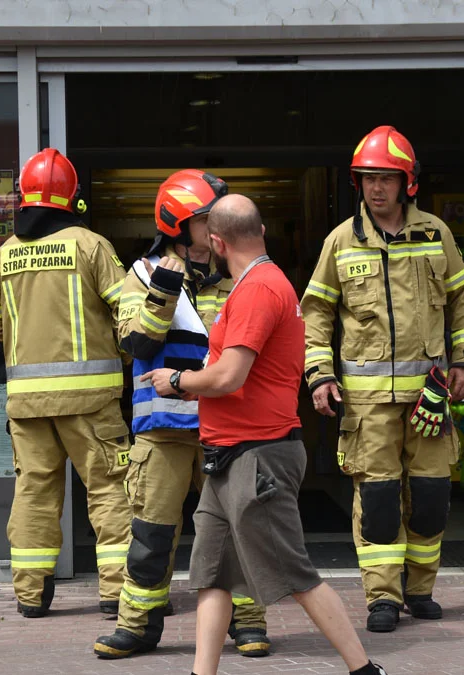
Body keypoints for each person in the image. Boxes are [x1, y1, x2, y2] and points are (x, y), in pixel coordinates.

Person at [139, 195, 387, 675]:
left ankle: (363, 670)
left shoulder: (256, 291)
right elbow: (238, 377)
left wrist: (179, 381)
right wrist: (197, 388)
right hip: (229, 457)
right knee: (212, 576)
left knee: (296, 575)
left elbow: (230, 375)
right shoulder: (258, 284)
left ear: (215, 242)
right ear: (263, 230)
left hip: (258, 459)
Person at [301, 125, 464, 632]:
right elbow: (314, 315)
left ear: (408, 183)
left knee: (429, 498)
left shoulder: (436, 235)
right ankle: (382, 597)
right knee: (378, 502)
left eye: (386, 178)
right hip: (367, 406)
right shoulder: (340, 242)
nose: (376, 188)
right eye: (367, 179)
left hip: (429, 397)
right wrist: (319, 375)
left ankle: (420, 589)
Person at [94, 170, 271, 659]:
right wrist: (164, 293)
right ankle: (137, 627)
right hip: (165, 429)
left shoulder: (241, 274)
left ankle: (249, 623)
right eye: (204, 219)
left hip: (226, 427)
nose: (215, 225)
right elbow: (134, 342)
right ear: (177, 223)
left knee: (238, 528)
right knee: (151, 533)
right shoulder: (144, 274)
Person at [0, 148, 133, 619]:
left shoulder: (4, 254)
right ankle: (116, 594)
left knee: (34, 493)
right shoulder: (90, 247)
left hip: (26, 404)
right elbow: (128, 313)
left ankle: (30, 595)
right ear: (73, 199)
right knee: (109, 490)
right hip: (90, 402)